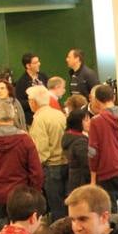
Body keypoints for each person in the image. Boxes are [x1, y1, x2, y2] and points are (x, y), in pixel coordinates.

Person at [0, 100, 43, 228]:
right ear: (14, 116)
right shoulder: (25, 141)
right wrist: (32, 193)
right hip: (21, 198)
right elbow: (36, 173)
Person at [27, 86, 68, 222]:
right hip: (66, 164)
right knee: (67, 207)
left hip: (51, 168)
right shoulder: (59, 114)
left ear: (34, 102)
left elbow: (41, 151)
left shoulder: (39, 120)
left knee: (57, 210)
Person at [87, 84, 118, 212]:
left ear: (96, 101)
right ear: (113, 97)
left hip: (106, 171)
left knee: (110, 212)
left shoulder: (96, 121)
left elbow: (93, 152)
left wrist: (93, 177)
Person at [62, 107, 92, 195]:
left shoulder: (69, 136)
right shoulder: (80, 142)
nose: (89, 122)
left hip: (75, 181)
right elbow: (87, 164)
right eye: (86, 120)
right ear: (78, 122)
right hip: (82, 183)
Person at [14, 52, 46, 127]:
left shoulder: (43, 76)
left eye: (38, 61)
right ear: (28, 66)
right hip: (32, 120)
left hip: (46, 116)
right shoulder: (22, 82)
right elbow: (19, 103)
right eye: (35, 62)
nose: (39, 64)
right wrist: (32, 102)